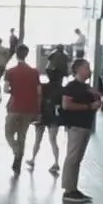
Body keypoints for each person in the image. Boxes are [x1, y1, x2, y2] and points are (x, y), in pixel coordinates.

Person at [59, 57, 98, 204]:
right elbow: (66, 105)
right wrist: (89, 107)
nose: (89, 70)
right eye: (87, 67)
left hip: (84, 125)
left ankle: (73, 188)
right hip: (76, 126)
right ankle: (68, 190)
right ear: (80, 69)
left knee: (77, 159)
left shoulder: (86, 87)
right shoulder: (71, 87)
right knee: (73, 157)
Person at [1, 44, 42, 176]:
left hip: (15, 106)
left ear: (16, 54)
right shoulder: (34, 72)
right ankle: (18, 162)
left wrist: (14, 90)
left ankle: (16, 153)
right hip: (30, 108)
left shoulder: (10, 71)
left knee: (8, 133)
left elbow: (6, 89)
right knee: (22, 135)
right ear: (26, 54)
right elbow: (39, 91)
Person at [31, 47, 69, 176]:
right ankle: (56, 162)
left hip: (43, 114)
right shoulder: (63, 89)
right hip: (55, 115)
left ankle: (32, 159)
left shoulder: (44, 87)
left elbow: (39, 99)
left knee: (37, 139)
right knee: (53, 139)